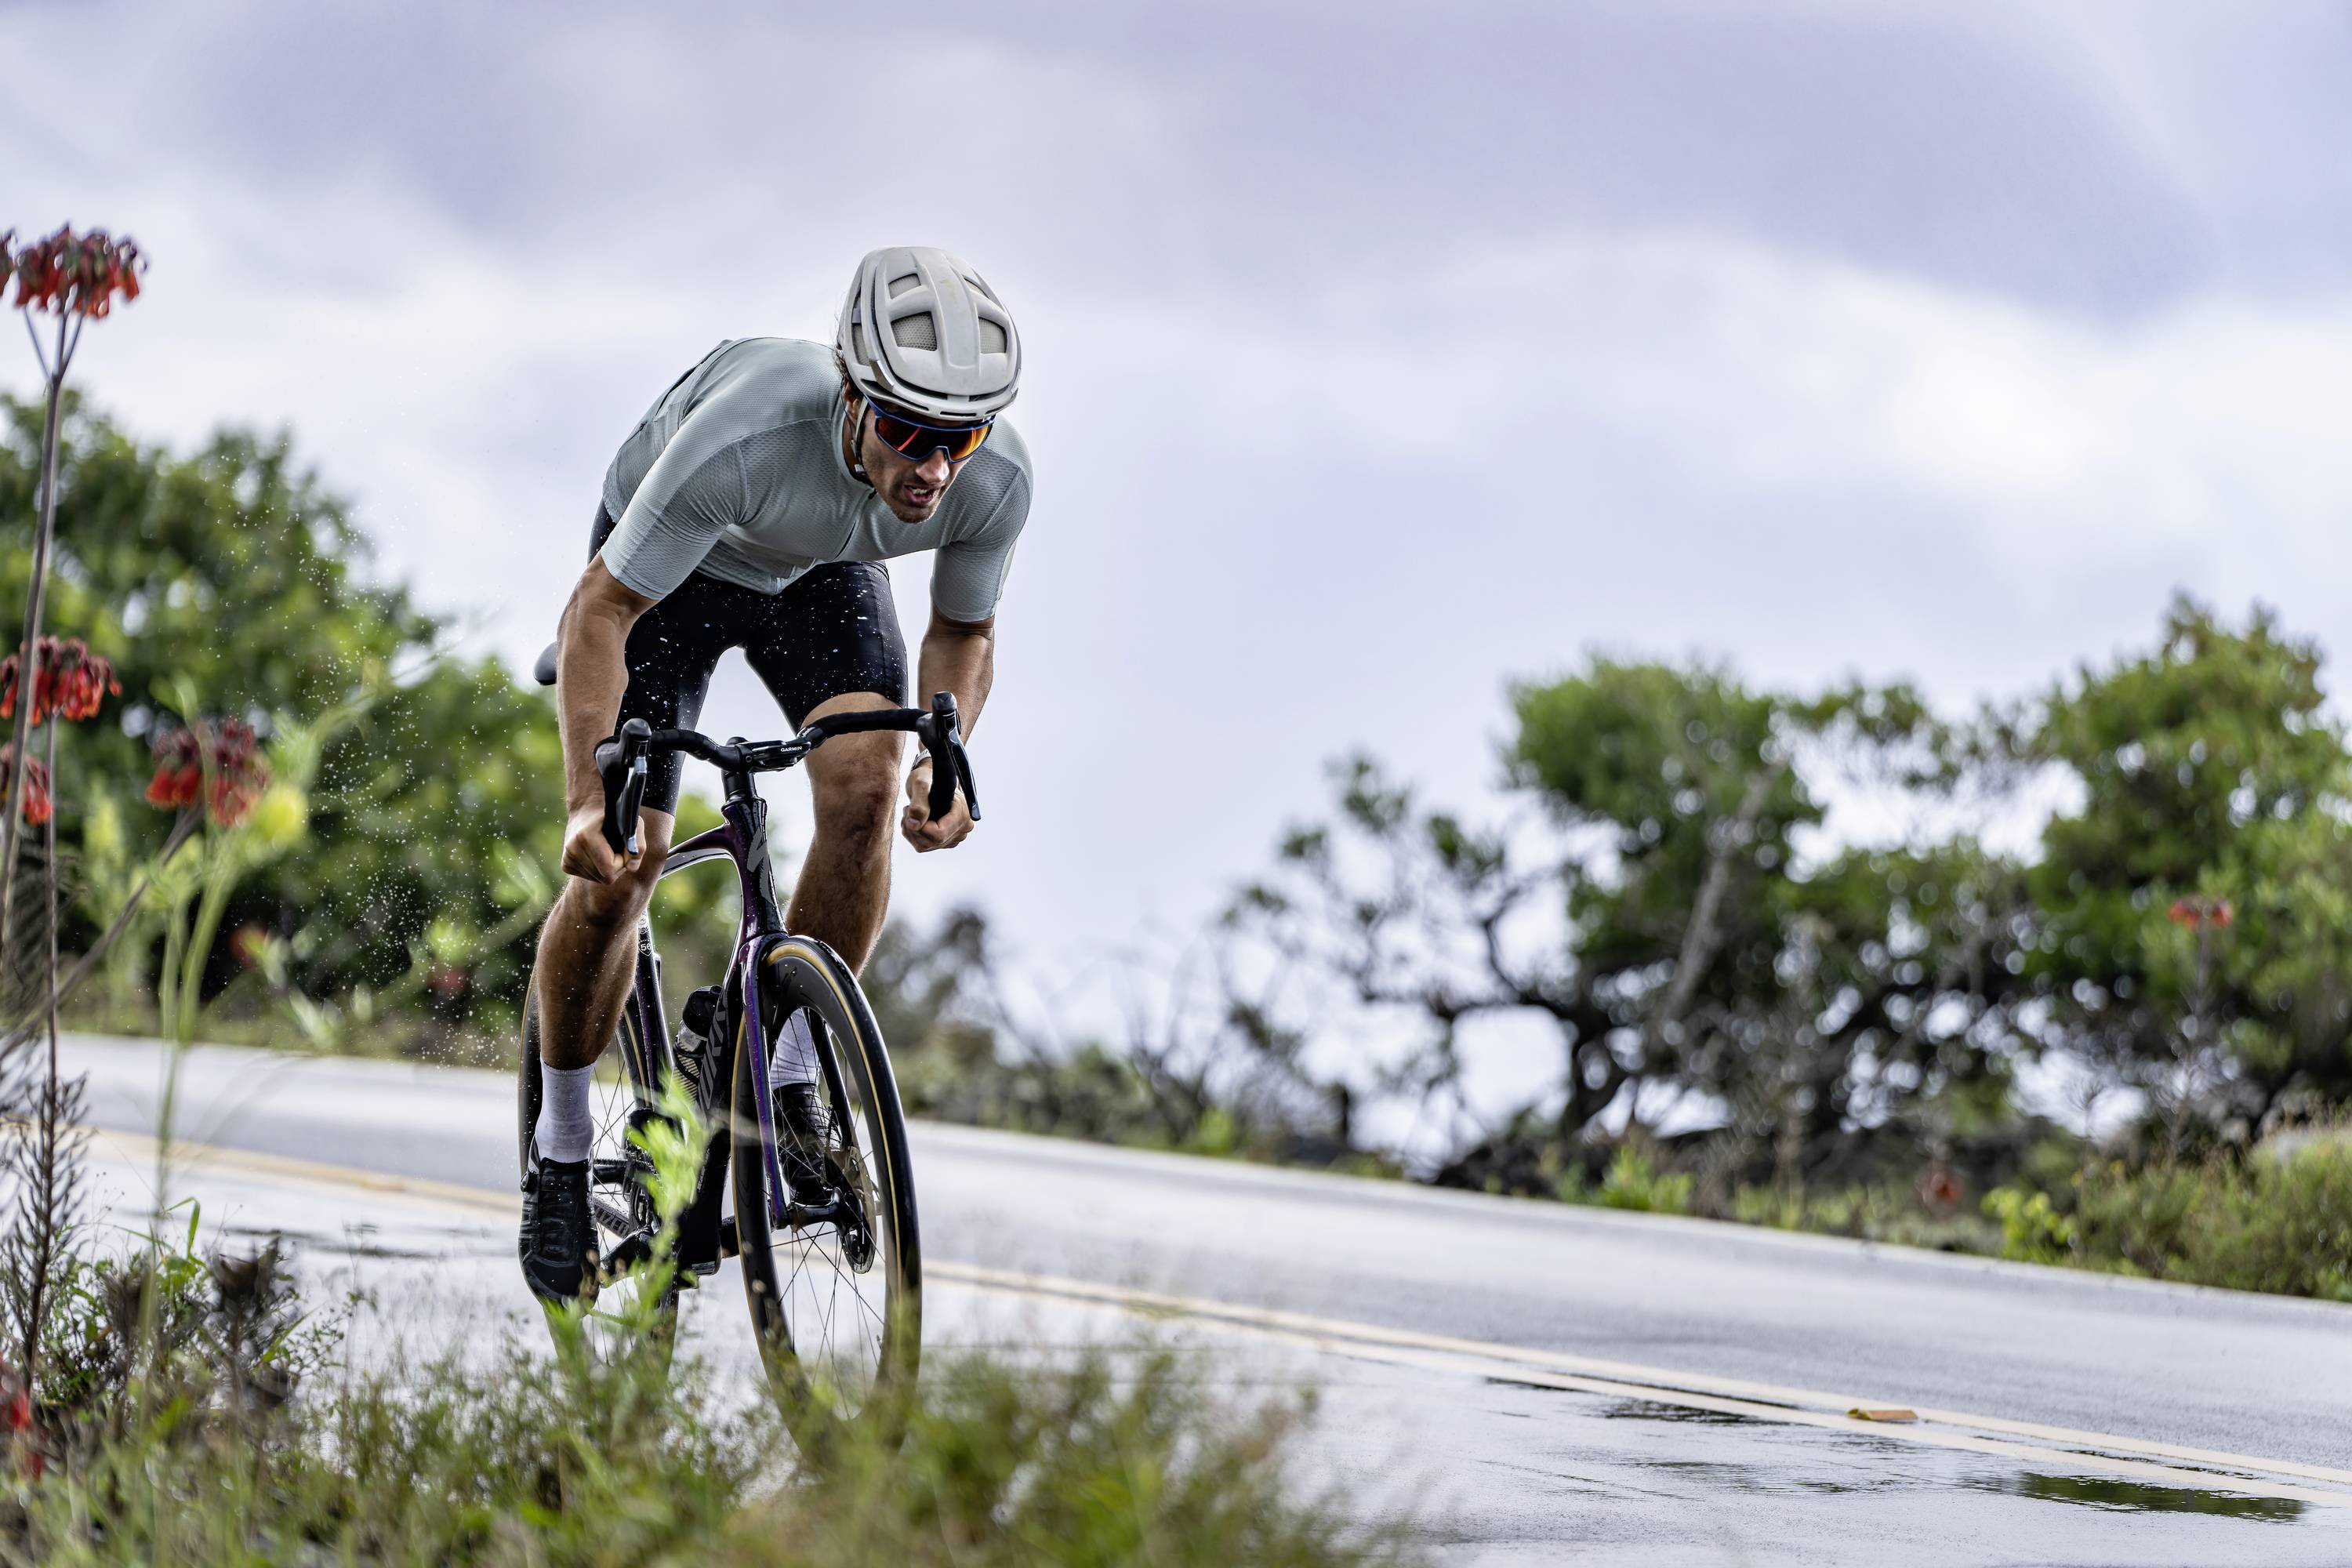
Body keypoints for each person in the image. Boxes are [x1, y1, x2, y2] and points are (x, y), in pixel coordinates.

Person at [518, 246, 1031, 1303]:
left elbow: (964, 632)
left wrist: (950, 751)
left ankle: (783, 1064)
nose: (935, 466)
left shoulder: (995, 477)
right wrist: (584, 798)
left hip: (820, 575)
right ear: (853, 394)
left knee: (865, 792)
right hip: (675, 570)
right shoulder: (746, 437)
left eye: (960, 438)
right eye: (908, 433)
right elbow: (601, 611)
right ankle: (563, 1153)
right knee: (622, 868)